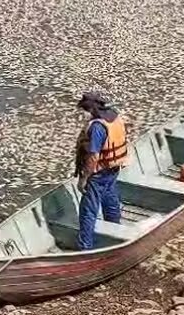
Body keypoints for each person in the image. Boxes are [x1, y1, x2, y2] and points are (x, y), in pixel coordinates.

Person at [74, 92, 129, 250]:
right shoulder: (114, 117)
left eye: (86, 110)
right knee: (110, 197)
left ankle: (85, 247)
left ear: (91, 109)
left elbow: (93, 156)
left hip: (98, 173)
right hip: (113, 168)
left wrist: (84, 178)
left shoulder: (97, 127)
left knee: (88, 210)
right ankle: (115, 229)